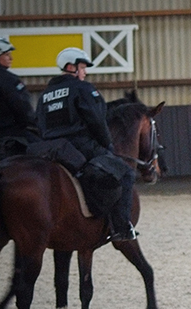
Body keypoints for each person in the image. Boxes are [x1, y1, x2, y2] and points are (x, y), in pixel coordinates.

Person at [38, 47, 137, 241]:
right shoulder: (82, 88)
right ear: (70, 67)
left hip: (50, 148)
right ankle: (121, 227)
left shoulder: (45, 95)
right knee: (126, 173)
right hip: (80, 145)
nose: (85, 72)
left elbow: (40, 125)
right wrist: (107, 144)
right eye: (82, 67)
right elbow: (97, 120)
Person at [0, 36, 39, 159]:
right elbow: (22, 108)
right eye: (7, 55)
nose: (11, 58)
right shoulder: (8, 79)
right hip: (10, 134)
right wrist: (35, 125)